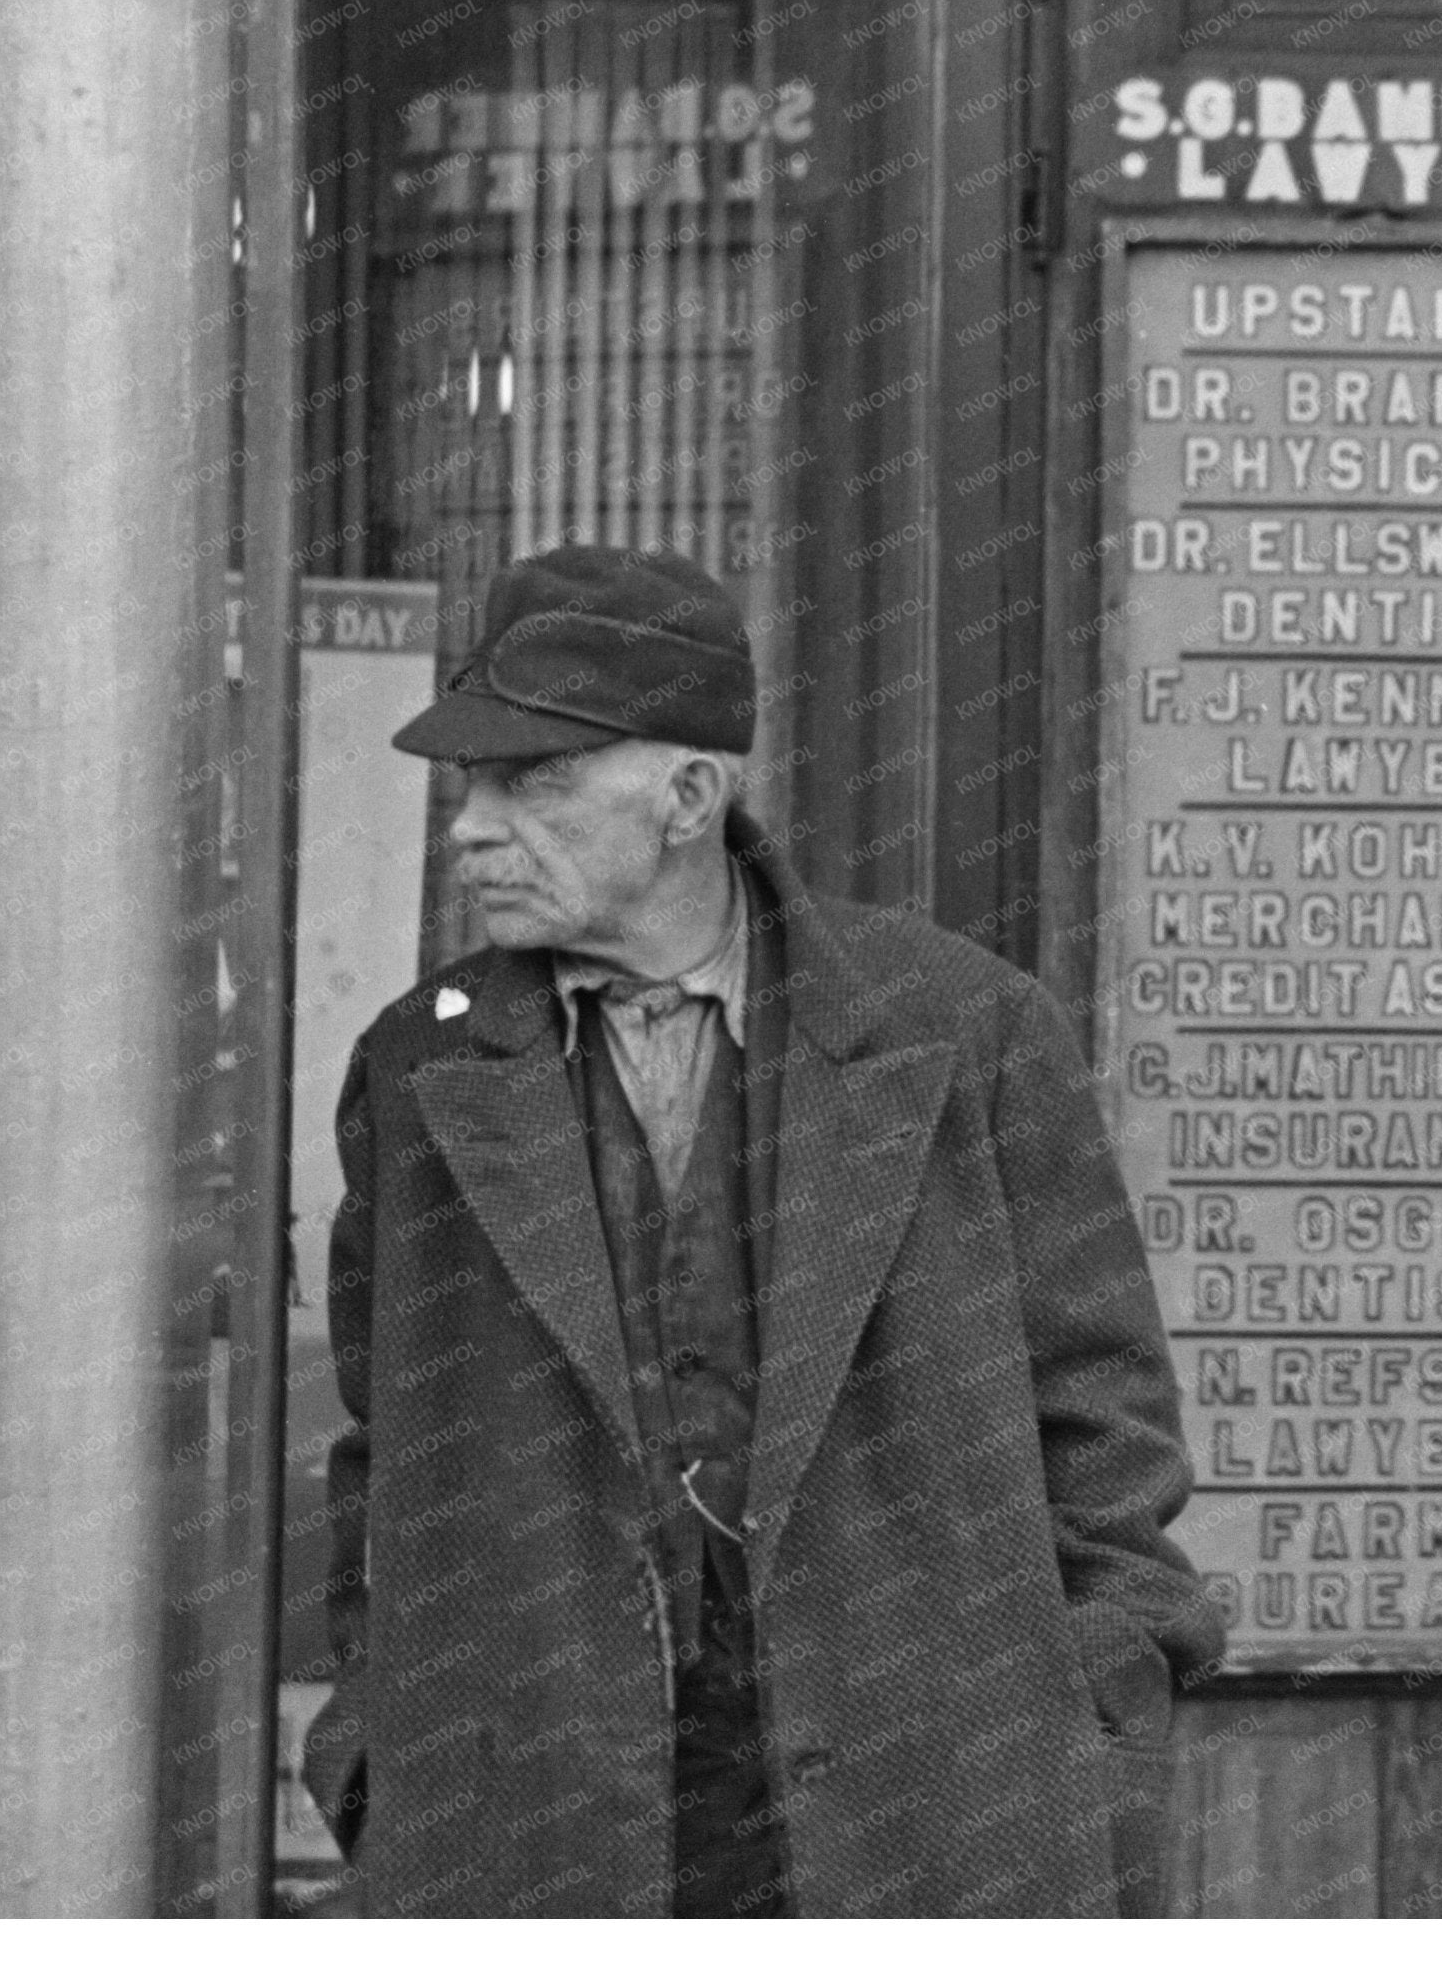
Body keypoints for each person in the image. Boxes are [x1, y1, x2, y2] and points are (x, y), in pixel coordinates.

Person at [304, 544, 1221, 1915]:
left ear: (688, 794)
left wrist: (1086, 1735)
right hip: (543, 1829)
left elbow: (1105, 1428)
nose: (472, 827)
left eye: (533, 782)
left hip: (920, 1820)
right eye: (471, 786)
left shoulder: (965, 1036)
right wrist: (378, 1750)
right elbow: (387, 1457)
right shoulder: (416, 1069)